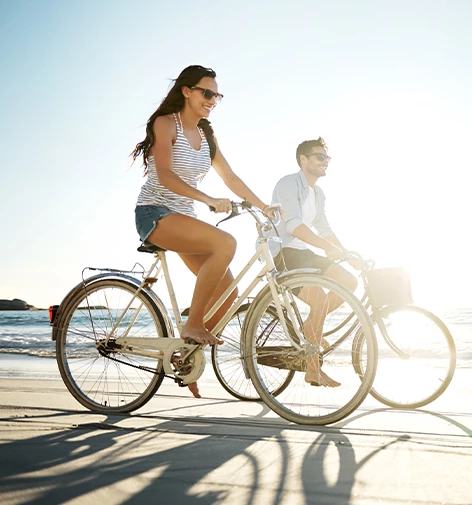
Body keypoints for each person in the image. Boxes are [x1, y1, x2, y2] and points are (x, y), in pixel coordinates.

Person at [131, 65, 273, 398]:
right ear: (186, 91)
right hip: (155, 214)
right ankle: (192, 324)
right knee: (226, 243)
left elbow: (231, 178)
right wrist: (207, 199)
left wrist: (264, 207)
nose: (212, 100)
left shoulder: (207, 135)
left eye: (217, 95)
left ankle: (185, 354)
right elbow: (164, 175)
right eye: (207, 93)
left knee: (228, 294)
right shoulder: (165, 124)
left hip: (184, 219)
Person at [270, 137, 363, 387]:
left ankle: (311, 327)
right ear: (304, 159)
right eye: (320, 157)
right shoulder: (288, 183)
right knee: (320, 299)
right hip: (282, 251)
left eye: (327, 158)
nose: (325, 162)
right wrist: (328, 248)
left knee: (348, 281)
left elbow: (324, 228)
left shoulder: (318, 193)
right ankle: (312, 370)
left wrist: (345, 253)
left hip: (302, 251)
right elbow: (294, 226)